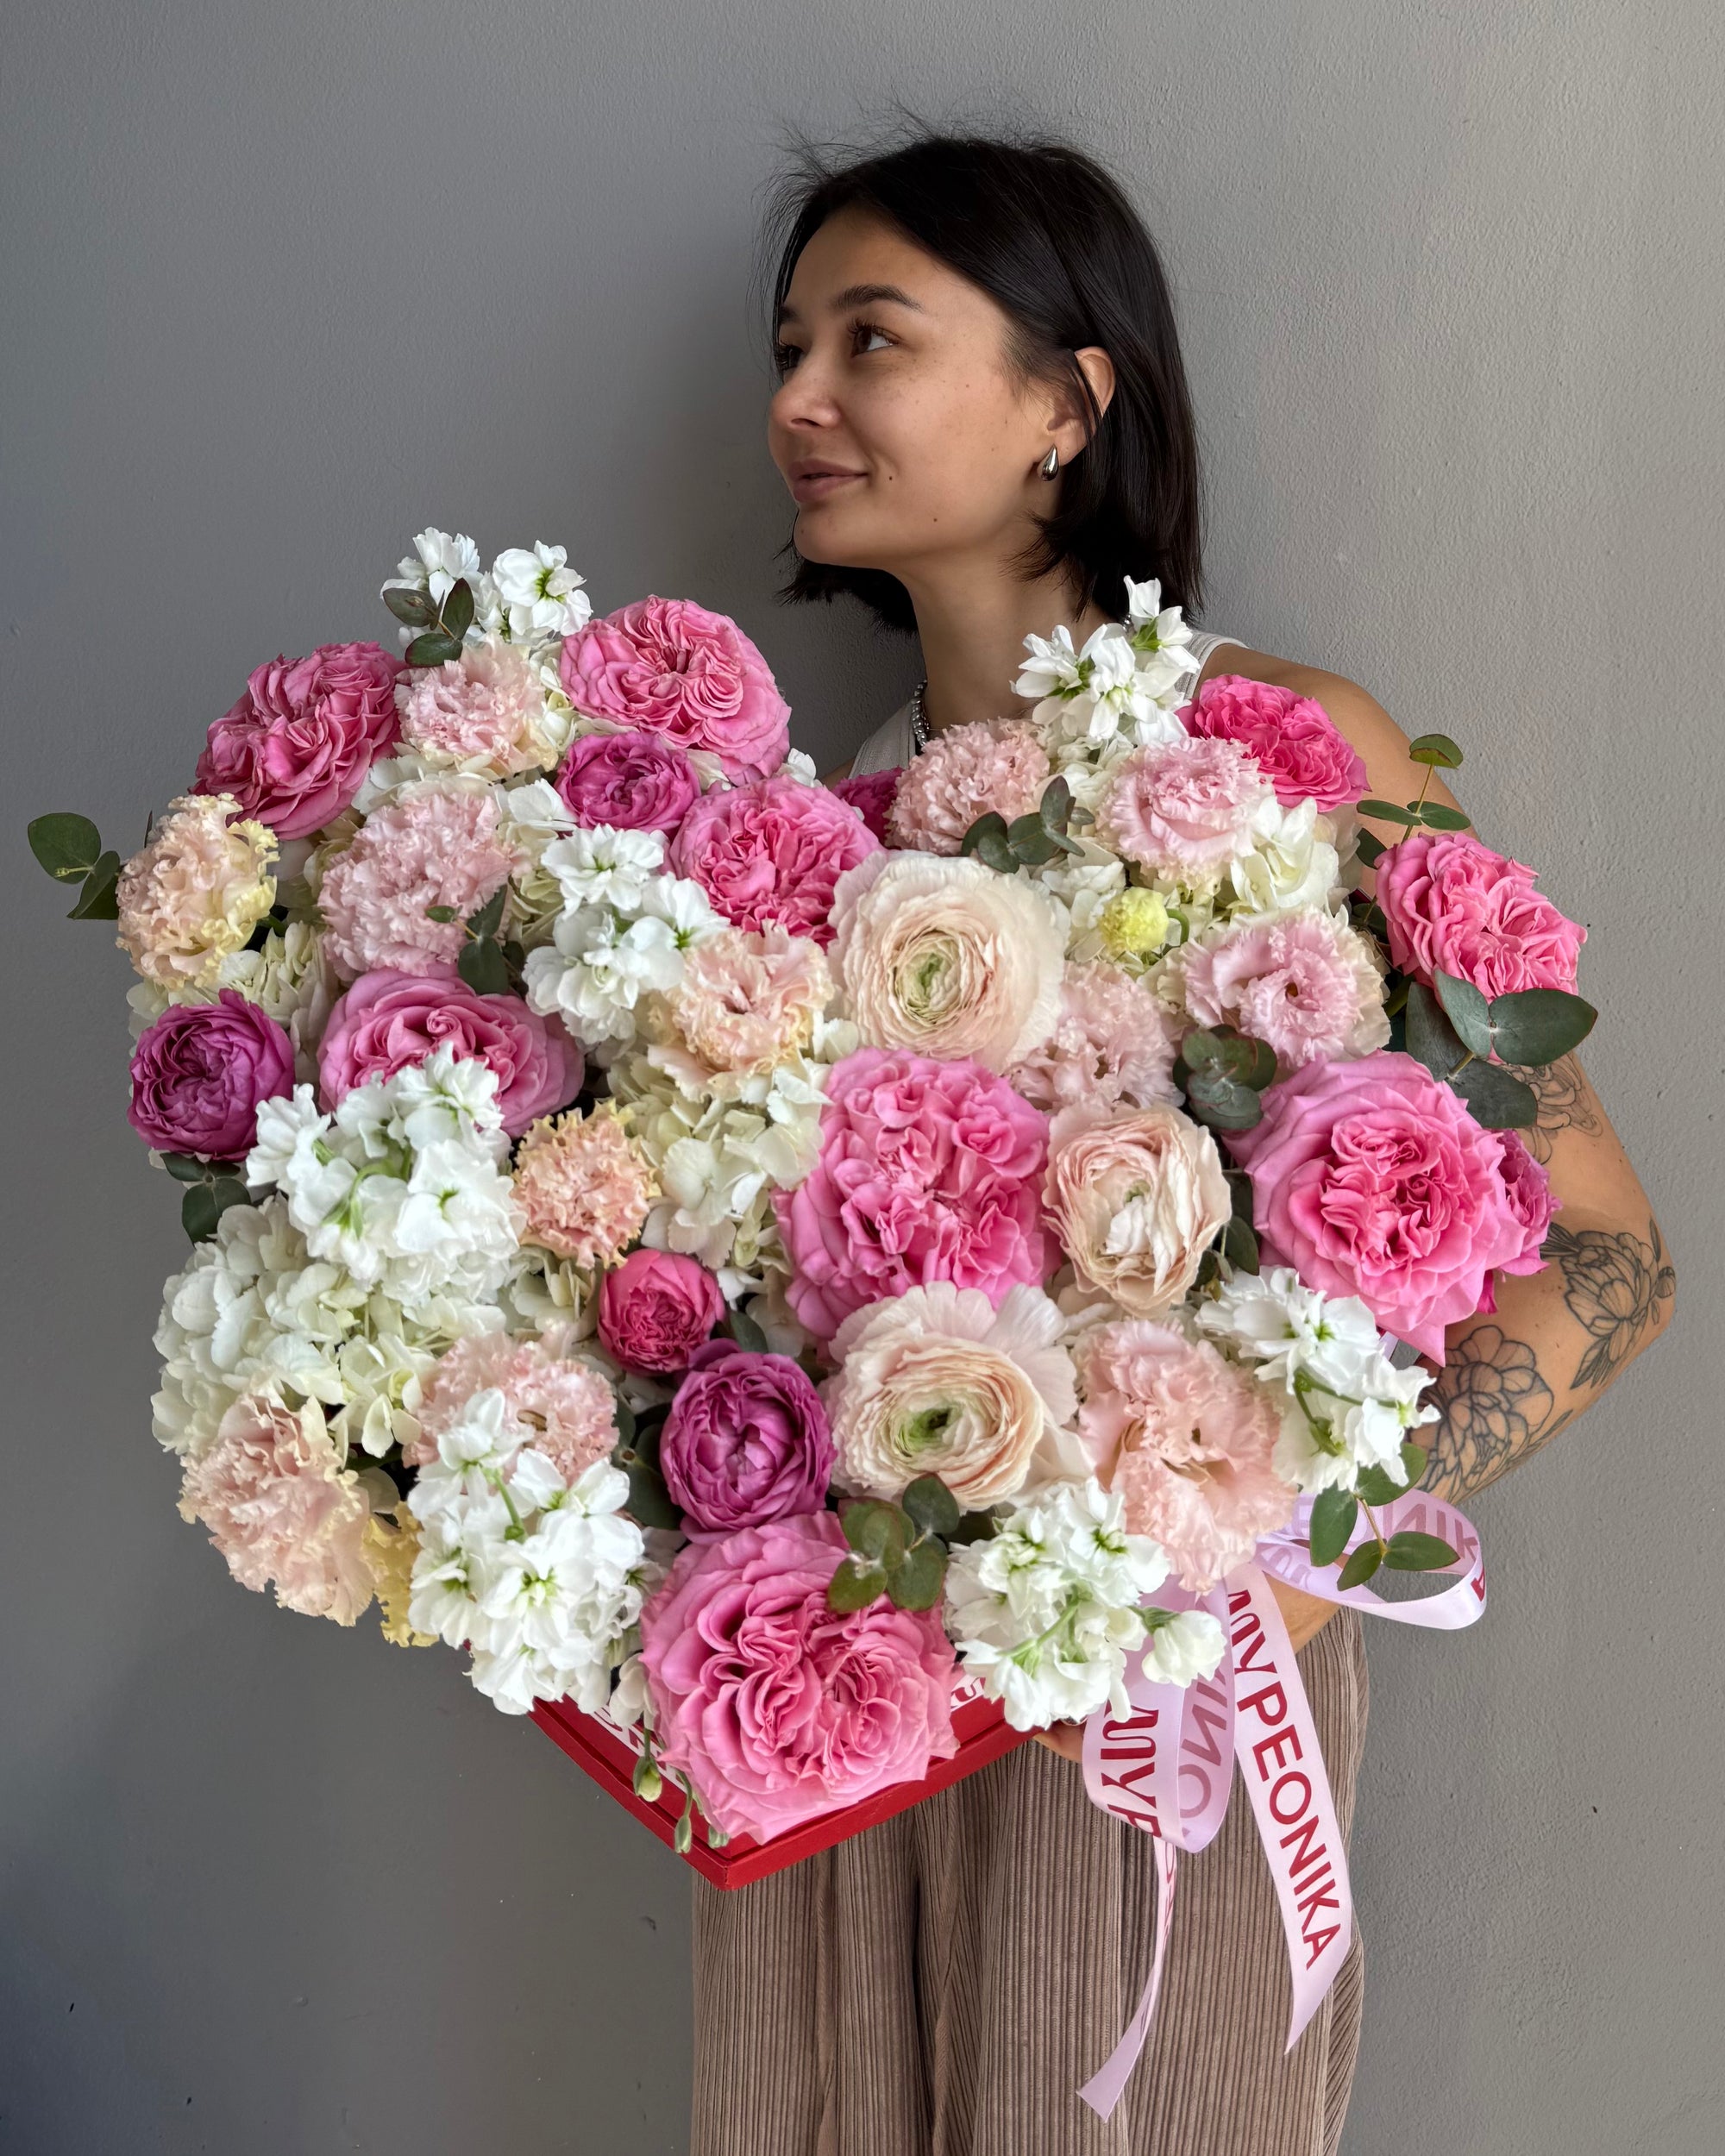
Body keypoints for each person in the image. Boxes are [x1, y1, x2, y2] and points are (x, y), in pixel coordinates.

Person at [687, 128, 1674, 2156]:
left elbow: (1606, 1256)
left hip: (1168, 1722)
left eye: (871, 339)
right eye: (789, 345)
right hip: (839, 1705)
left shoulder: (1297, 757)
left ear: (1069, 398)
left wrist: (1284, 1569)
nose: (796, 399)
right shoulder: (786, 856)